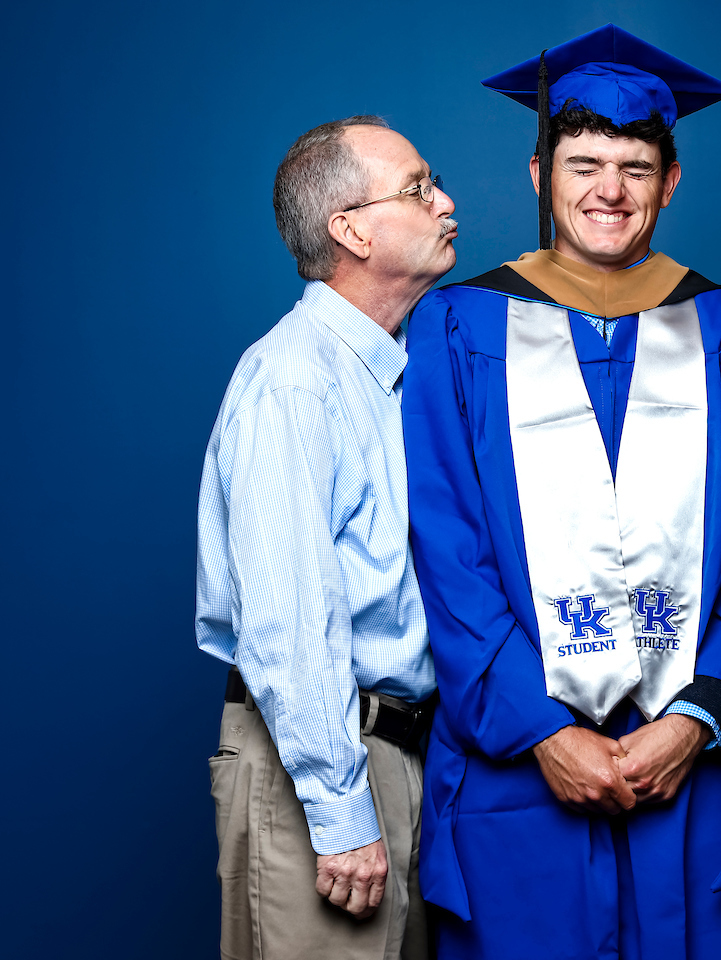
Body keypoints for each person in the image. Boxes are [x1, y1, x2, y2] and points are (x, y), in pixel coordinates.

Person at [403, 24, 721, 960]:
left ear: (669, 182)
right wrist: (541, 729)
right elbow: (448, 550)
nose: (609, 191)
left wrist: (700, 712)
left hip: (702, 763)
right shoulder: (461, 325)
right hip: (523, 761)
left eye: (634, 166)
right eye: (583, 162)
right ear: (540, 171)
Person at [195, 115, 458, 960]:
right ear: (351, 229)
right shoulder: (294, 383)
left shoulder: (394, 368)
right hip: (322, 764)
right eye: (418, 189)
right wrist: (341, 813)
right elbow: (289, 618)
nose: (446, 202)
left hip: (406, 756)